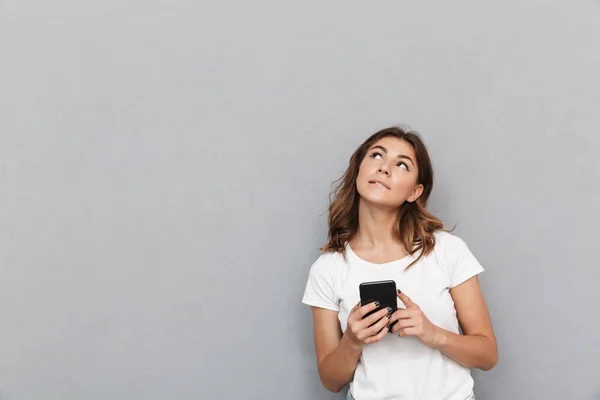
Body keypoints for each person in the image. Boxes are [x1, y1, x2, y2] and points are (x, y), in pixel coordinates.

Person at [301, 126, 498, 400]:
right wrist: (353, 341)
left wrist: (431, 333)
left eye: (402, 164)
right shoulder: (328, 269)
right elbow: (330, 381)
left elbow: (487, 355)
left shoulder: (447, 250)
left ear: (415, 192)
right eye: (376, 156)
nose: (384, 168)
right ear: (359, 169)